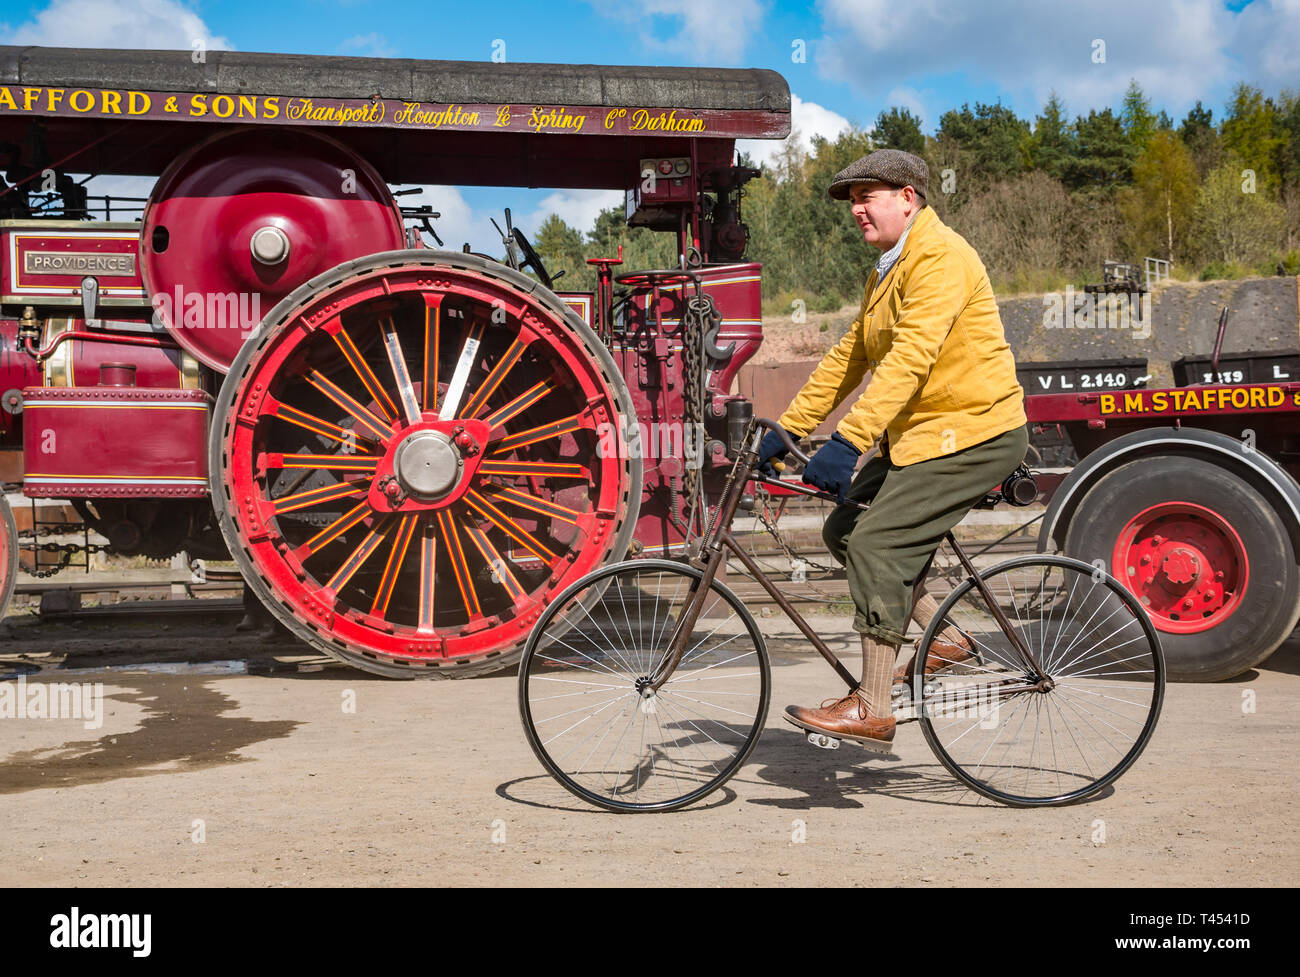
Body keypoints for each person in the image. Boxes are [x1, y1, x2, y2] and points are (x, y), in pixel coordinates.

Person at [758, 148, 1029, 752]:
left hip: (973, 431)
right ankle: (946, 636)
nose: (857, 210)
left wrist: (849, 439)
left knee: (879, 545)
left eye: (869, 196)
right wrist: (788, 431)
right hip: (922, 433)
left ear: (909, 197)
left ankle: (873, 706)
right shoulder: (886, 270)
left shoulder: (939, 257)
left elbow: (910, 358)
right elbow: (848, 359)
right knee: (844, 533)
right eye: (852, 201)